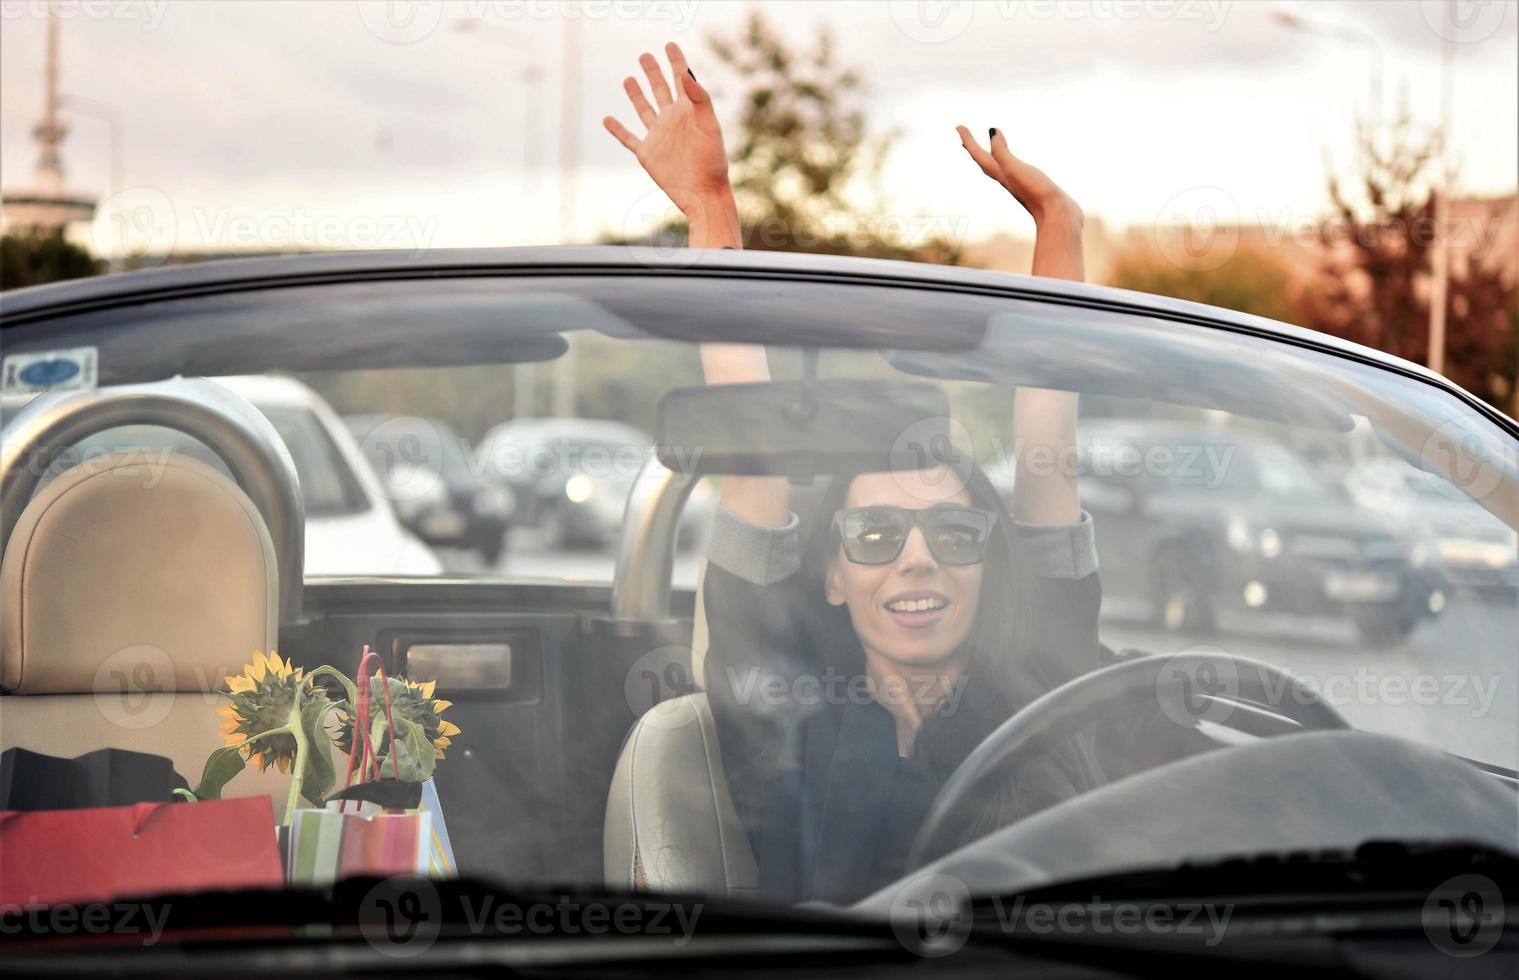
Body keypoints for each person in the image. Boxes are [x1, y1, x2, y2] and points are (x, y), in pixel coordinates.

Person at [605, 42, 1104, 904]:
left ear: (987, 560)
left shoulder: (1040, 692)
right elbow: (753, 461)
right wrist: (712, 212)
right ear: (832, 575)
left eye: (953, 532)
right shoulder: (785, 718)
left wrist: (1061, 230)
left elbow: (1043, 456)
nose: (916, 558)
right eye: (874, 534)